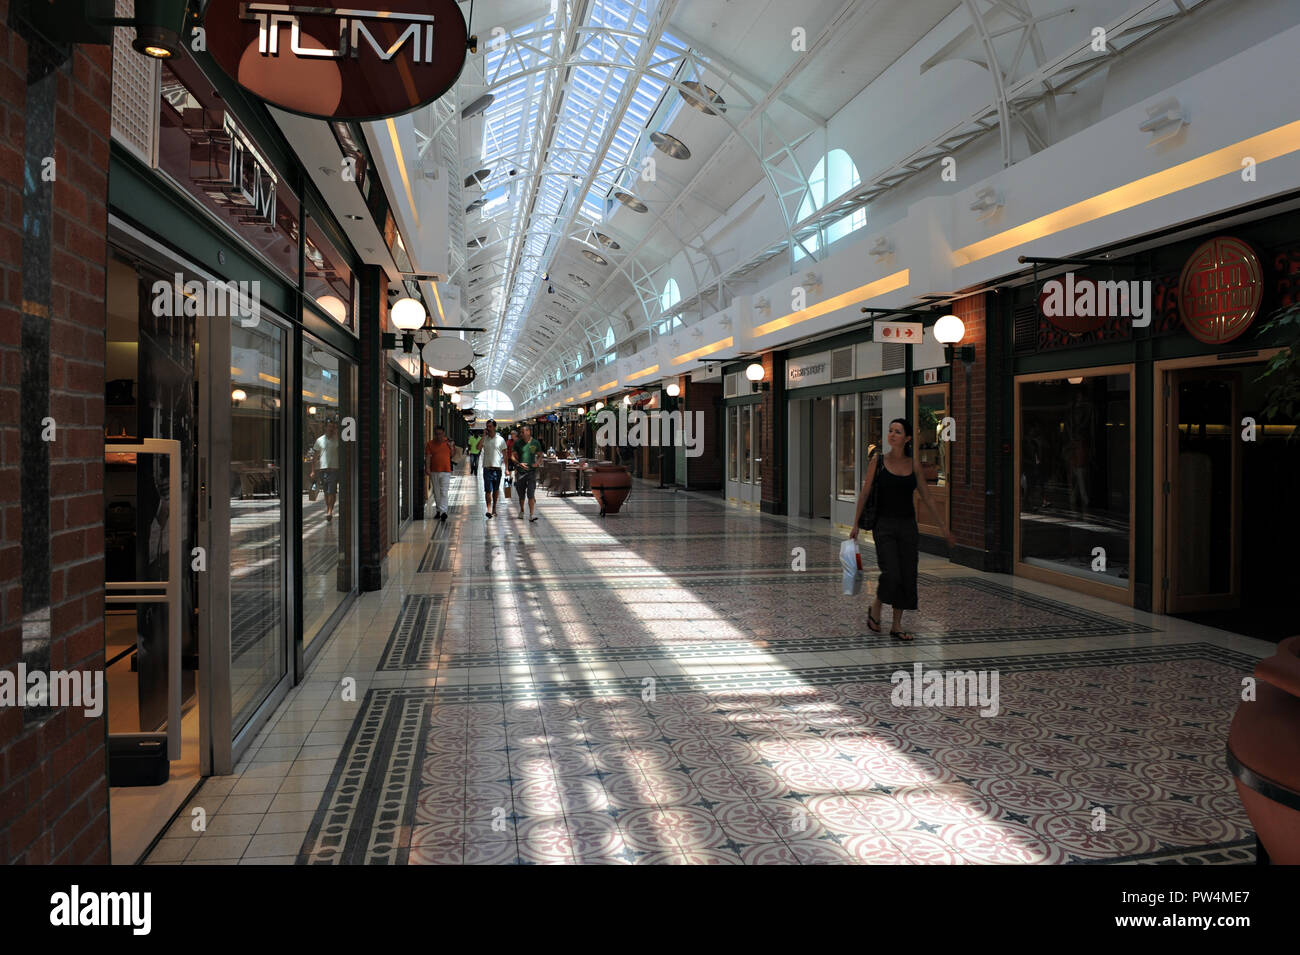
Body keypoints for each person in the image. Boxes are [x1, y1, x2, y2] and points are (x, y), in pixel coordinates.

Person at [849, 417, 955, 642]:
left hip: (908, 526)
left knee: (907, 575)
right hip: (884, 525)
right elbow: (865, 493)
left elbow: (926, 497)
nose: (892, 435)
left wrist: (943, 527)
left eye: (897, 432)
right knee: (892, 573)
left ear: (907, 438)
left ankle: (897, 625)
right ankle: (876, 607)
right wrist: (855, 524)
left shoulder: (914, 465)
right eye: (890, 431)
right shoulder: (877, 461)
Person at [310, 418, 341, 523]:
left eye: (333, 427)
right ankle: (328, 508)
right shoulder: (320, 440)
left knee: (331, 491)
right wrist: (313, 471)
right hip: (323, 470)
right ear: (325, 428)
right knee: (326, 492)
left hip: (334, 469)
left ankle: (329, 511)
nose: (331, 429)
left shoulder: (337, 439)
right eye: (329, 427)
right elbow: (315, 457)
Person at [425, 424, 457, 522]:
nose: (439, 436)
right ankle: (439, 510)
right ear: (435, 434)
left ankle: (443, 512)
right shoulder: (430, 444)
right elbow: (428, 457)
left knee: (444, 491)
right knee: (436, 492)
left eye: (440, 434)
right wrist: (427, 468)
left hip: (446, 470)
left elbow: (452, 455)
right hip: (434, 471)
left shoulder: (449, 442)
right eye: (437, 434)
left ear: (443, 433)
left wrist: (451, 447)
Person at [512, 424, 543, 522]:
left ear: (528, 432)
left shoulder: (535, 443)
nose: (521, 434)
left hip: (531, 472)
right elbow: (512, 456)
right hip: (520, 473)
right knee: (521, 495)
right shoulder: (517, 443)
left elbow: (540, 455)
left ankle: (531, 515)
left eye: (523, 432)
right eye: (520, 432)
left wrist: (537, 463)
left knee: (531, 493)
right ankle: (521, 510)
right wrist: (519, 463)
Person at [479, 419, 508, 519]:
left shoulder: (501, 440)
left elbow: (505, 455)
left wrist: (507, 468)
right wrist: (483, 436)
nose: (488, 428)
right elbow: (478, 447)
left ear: (495, 427)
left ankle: (494, 508)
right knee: (488, 490)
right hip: (487, 469)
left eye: (490, 426)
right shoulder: (485, 439)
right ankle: (489, 509)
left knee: (495, 490)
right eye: (487, 426)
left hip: (497, 469)